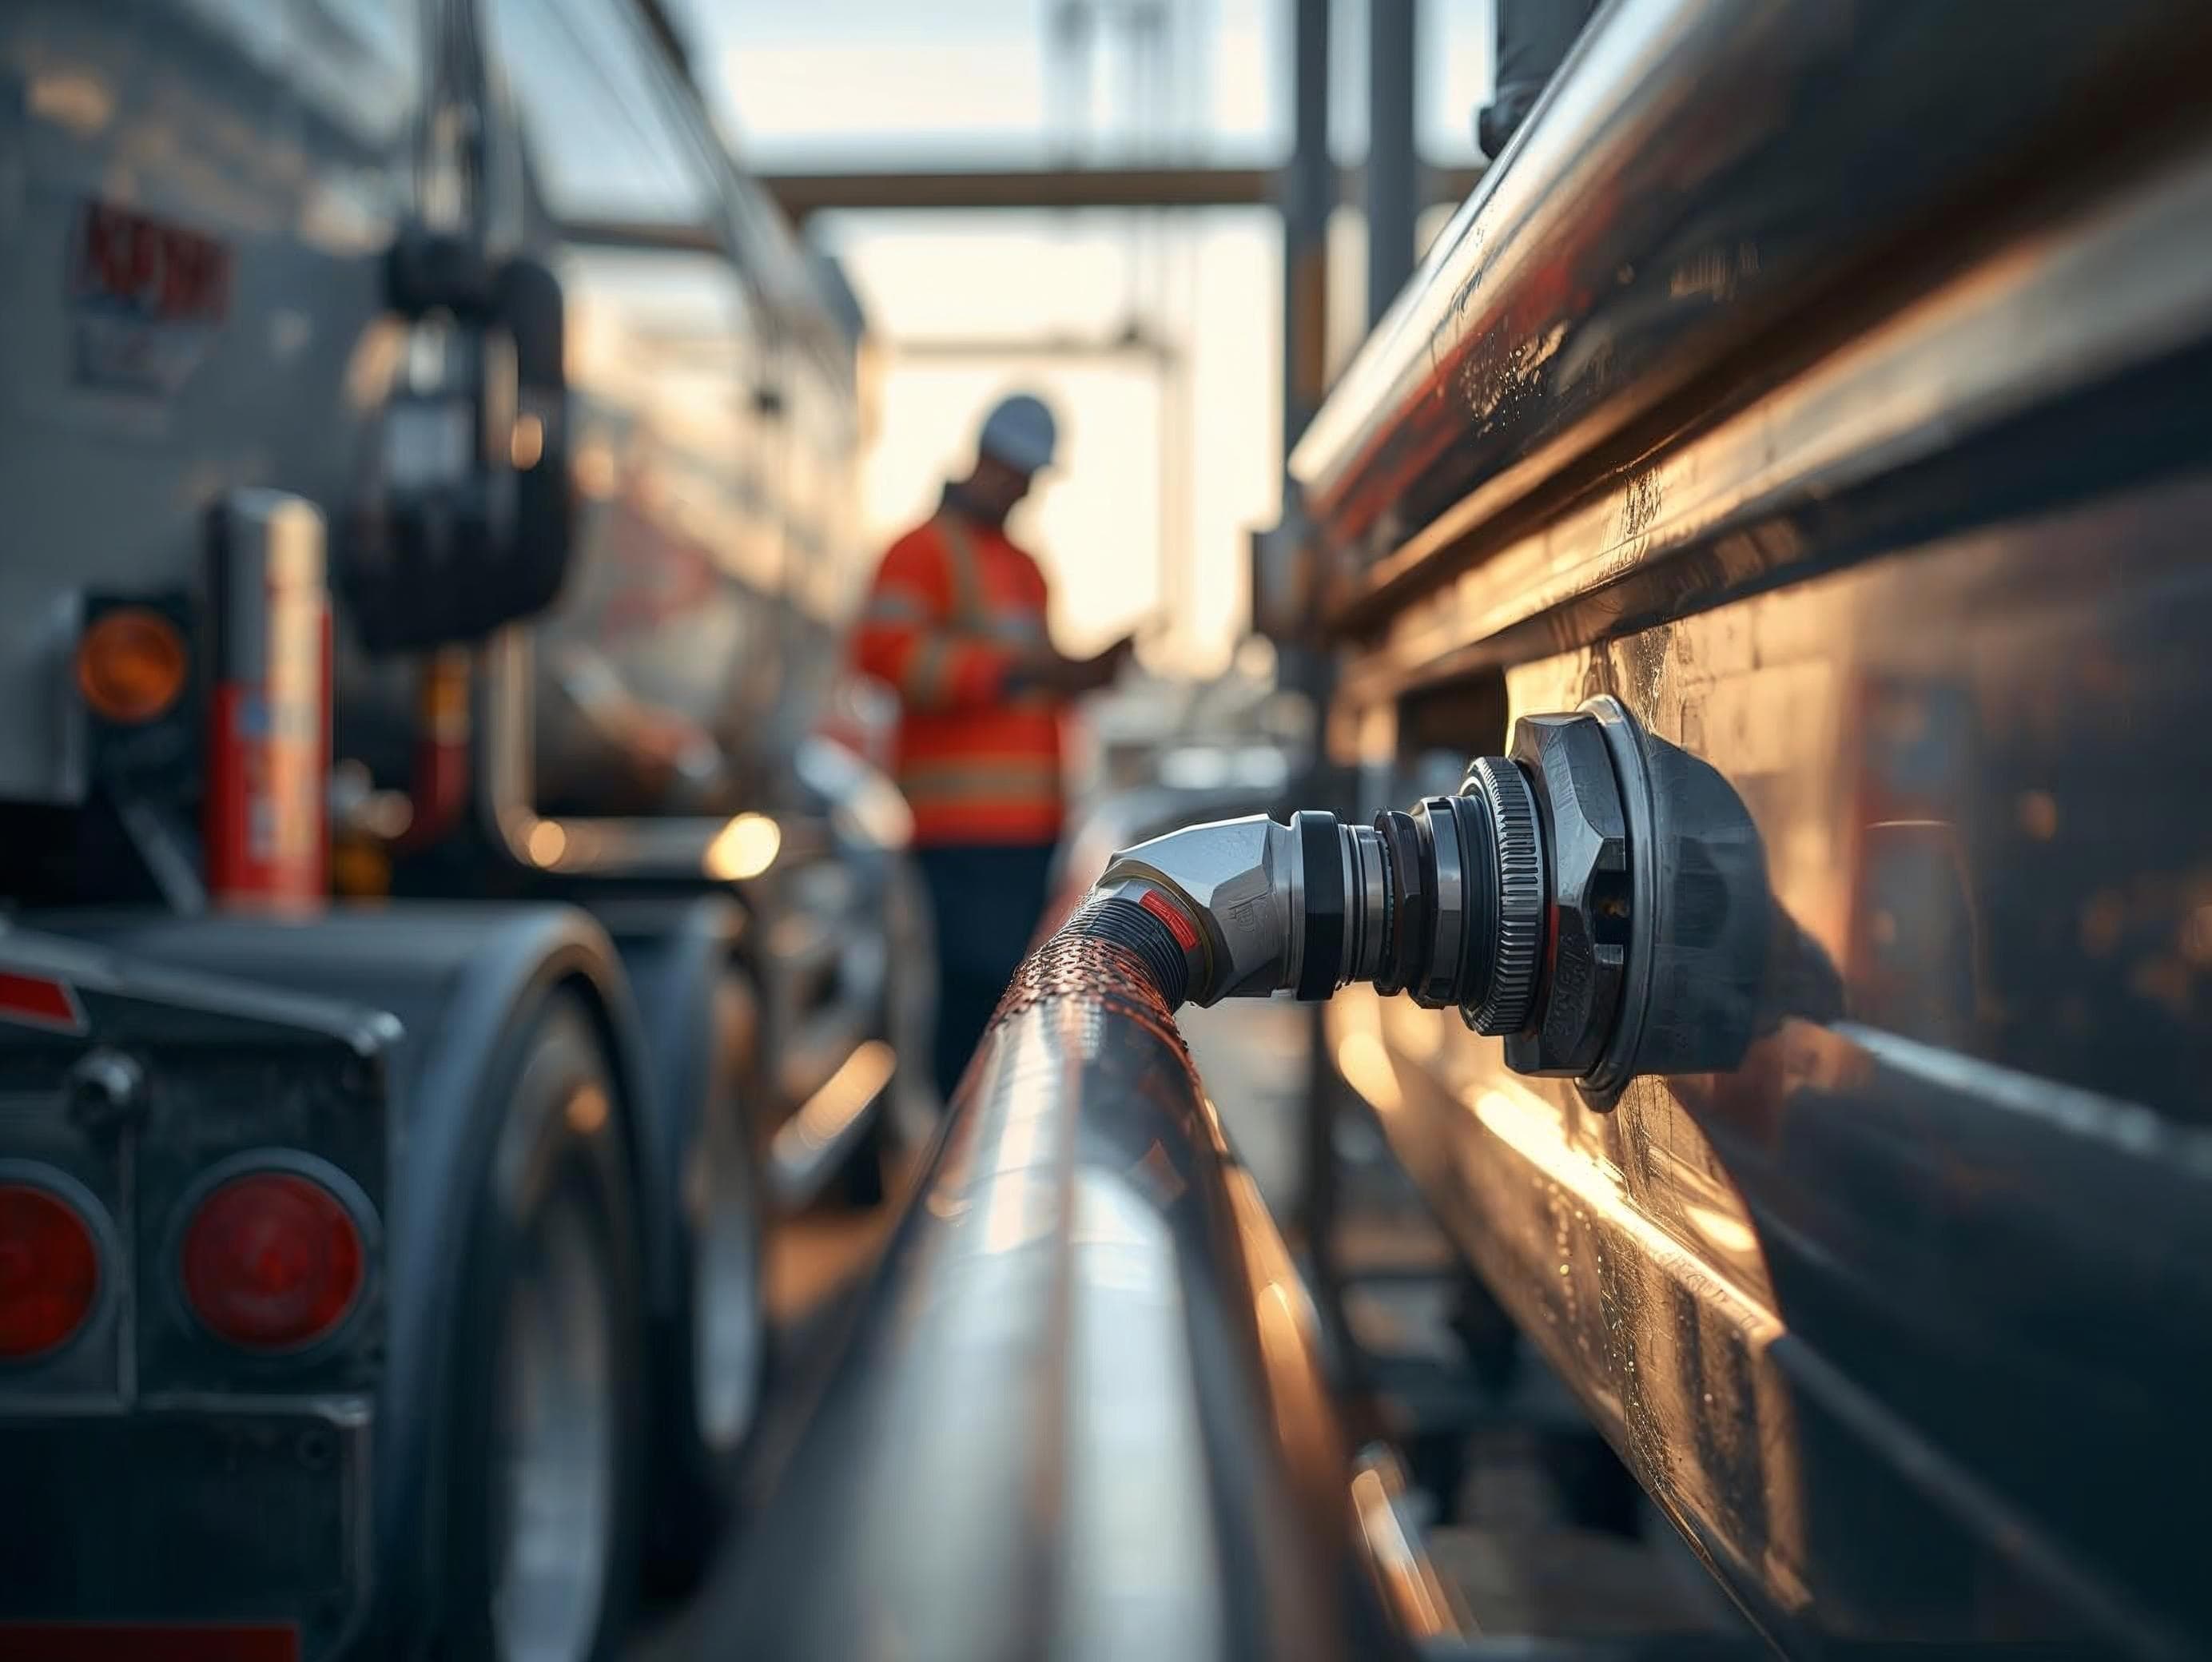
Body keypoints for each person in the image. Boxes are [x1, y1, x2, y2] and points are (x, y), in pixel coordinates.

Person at [853, 393, 1134, 1103]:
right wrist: (1012, 671)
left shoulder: (1023, 565)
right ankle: (959, 1152)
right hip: (960, 831)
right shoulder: (920, 551)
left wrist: (1080, 675)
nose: (1024, 492)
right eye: (1017, 475)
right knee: (974, 1004)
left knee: (1005, 999)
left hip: (1027, 829)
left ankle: (980, 1143)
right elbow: (886, 655)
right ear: (985, 459)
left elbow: (1030, 682)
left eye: (1032, 479)